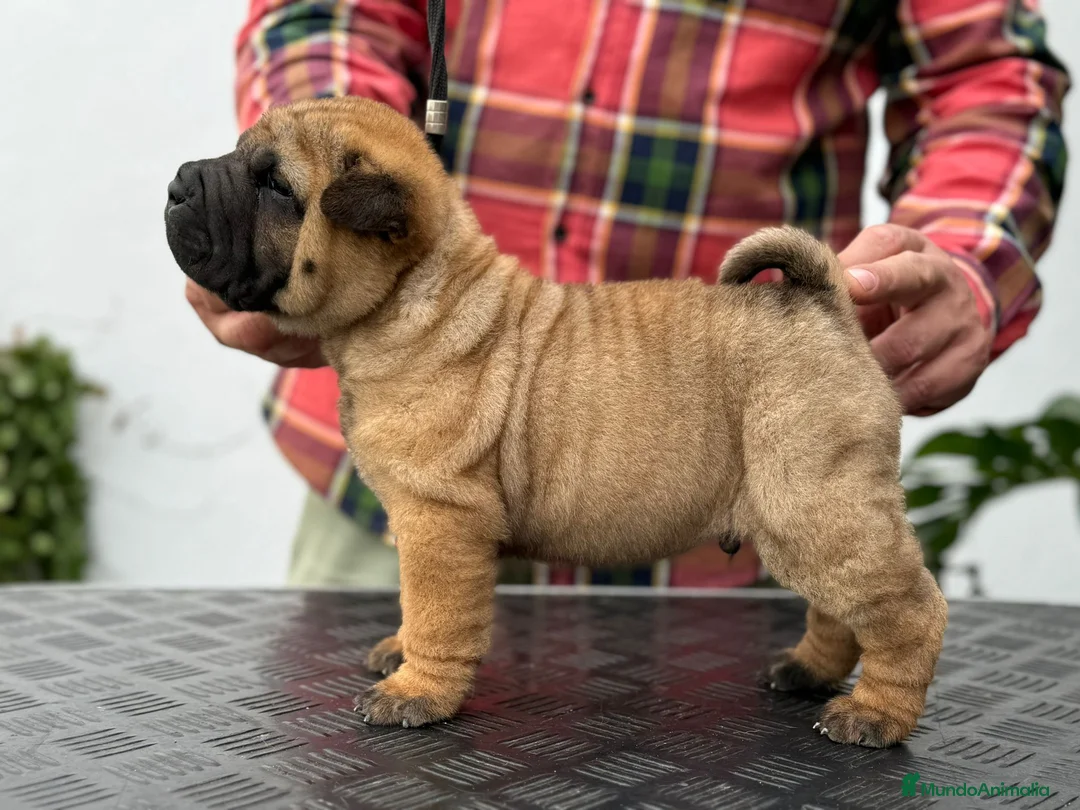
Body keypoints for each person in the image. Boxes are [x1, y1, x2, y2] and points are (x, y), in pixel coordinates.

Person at [187, 0, 1068, 589]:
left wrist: (965, 253)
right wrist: (306, 181)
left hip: (718, 470)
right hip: (389, 490)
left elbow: (986, 76)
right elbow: (332, 11)